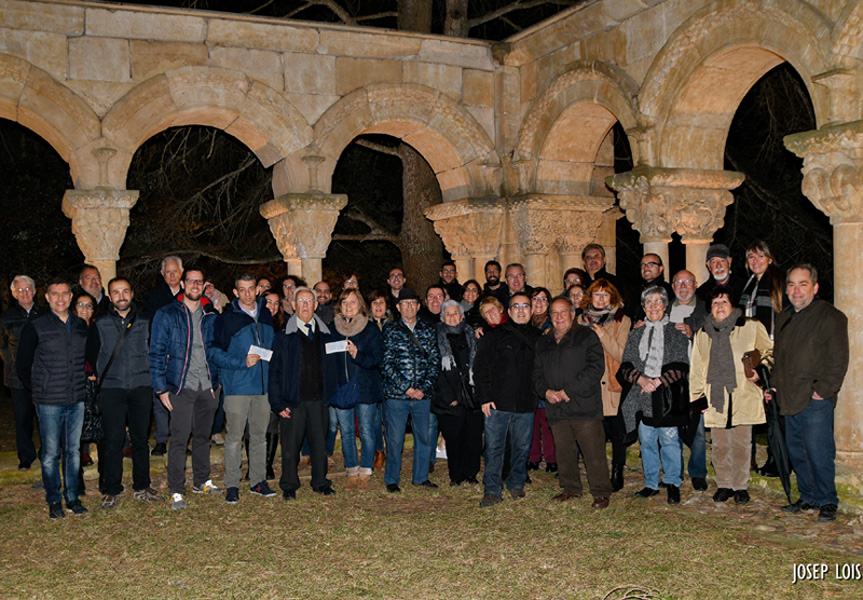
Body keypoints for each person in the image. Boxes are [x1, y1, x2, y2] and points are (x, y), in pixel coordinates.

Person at [770, 264, 848, 523]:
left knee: (818, 451)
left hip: (814, 398)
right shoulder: (784, 316)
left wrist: (822, 392)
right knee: (798, 451)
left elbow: (838, 360)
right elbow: (778, 356)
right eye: (791, 284)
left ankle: (827, 500)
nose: (796, 290)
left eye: (802, 284)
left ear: (814, 287)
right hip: (789, 395)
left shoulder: (830, 316)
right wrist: (774, 384)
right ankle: (808, 497)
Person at [690, 285, 772, 505]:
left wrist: (760, 373)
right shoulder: (703, 333)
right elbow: (697, 368)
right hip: (715, 398)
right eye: (715, 302)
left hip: (743, 395)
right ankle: (724, 484)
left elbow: (769, 353)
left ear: (733, 304)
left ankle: (740, 486)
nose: (719, 306)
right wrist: (698, 398)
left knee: (741, 444)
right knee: (719, 446)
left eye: (724, 301)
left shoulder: (750, 327)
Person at [149, 268, 222, 511]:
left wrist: (217, 381)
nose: (194, 285)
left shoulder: (211, 313)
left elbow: (217, 349)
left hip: (207, 385)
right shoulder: (167, 313)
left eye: (198, 282)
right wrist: (161, 389)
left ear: (203, 286)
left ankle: (201, 481)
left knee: (203, 437)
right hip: (180, 385)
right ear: (182, 283)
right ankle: (176, 490)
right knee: (179, 439)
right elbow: (156, 352)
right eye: (190, 281)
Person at [17, 278, 89, 519]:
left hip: (76, 398)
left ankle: (72, 497)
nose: (60, 298)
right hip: (48, 400)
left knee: (73, 451)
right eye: (55, 294)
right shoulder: (36, 327)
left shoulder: (80, 325)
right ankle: (53, 499)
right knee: (50, 453)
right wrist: (38, 388)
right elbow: (23, 364)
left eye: (65, 294)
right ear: (46, 297)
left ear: (71, 297)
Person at [88, 277, 162, 509]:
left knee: (141, 440)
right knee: (113, 441)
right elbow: (91, 355)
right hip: (112, 389)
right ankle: (112, 489)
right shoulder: (99, 324)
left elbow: (155, 352)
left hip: (141, 386)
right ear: (110, 296)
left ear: (132, 293)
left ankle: (142, 486)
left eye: (125, 291)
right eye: (116, 292)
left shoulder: (145, 321)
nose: (121, 296)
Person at [534, 296, 612, 509]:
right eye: (554, 313)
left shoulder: (586, 336)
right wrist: (546, 391)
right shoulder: (544, 341)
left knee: (593, 452)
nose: (559, 317)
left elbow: (595, 368)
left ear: (572, 314)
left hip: (583, 404)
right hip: (556, 406)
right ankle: (570, 488)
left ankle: (601, 491)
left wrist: (570, 391)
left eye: (563, 312)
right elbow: (537, 373)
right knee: (564, 450)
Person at [208, 273, 277, 505]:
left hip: (263, 387)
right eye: (242, 289)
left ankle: (258, 481)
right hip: (237, 386)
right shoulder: (226, 319)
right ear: (235, 292)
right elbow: (214, 353)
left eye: (251, 288)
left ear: (258, 289)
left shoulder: (266, 314)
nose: (248, 294)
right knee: (235, 438)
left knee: (259, 436)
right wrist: (241, 362)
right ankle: (232, 484)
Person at [618, 285, 690, 505]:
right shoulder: (636, 333)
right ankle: (650, 483)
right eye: (648, 303)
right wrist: (640, 379)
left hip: (666, 396)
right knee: (647, 441)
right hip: (642, 394)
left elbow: (681, 365)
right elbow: (626, 364)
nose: (653, 306)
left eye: (658, 301)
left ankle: (672, 483)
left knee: (669, 440)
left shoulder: (675, 333)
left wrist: (658, 382)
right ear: (643, 307)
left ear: (665, 305)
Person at [268, 287, 338, 500]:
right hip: (293, 402)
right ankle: (289, 484)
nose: (306, 305)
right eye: (301, 301)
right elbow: (275, 371)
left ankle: (320, 482)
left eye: (310, 301)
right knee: (290, 448)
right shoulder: (283, 336)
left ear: (316, 305)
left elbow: (333, 366)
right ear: (294, 305)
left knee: (319, 446)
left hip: (319, 401)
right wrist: (278, 404)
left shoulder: (327, 334)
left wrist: (331, 394)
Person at [475, 293, 540, 507]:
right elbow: (480, 367)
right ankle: (492, 490)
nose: (521, 310)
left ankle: (516, 483)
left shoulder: (540, 338)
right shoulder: (493, 336)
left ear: (531, 310)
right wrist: (484, 397)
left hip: (526, 402)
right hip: (497, 403)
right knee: (494, 447)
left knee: (522, 446)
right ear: (509, 311)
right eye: (516, 306)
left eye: (525, 306)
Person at [381, 287, 441, 492]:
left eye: (412, 303)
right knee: (395, 439)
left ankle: (421, 477)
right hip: (397, 395)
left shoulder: (428, 328)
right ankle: (392, 479)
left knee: (423, 437)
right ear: (398, 307)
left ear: (418, 306)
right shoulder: (390, 330)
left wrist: (423, 388)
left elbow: (435, 361)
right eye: (404, 303)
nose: (409, 307)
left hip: (422, 395)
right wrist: (406, 388)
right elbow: (386, 363)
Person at [578, 279, 631, 492]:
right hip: (589, 387)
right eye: (596, 294)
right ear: (590, 297)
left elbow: (622, 353)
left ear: (613, 298)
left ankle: (617, 472)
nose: (600, 299)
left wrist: (602, 334)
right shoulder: (581, 321)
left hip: (612, 385)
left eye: (605, 295)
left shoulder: (622, 320)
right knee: (594, 435)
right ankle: (597, 474)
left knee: (617, 433)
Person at [330, 288, 384, 492]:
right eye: (344, 303)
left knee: (367, 432)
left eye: (352, 302)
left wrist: (357, 354)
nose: (348, 307)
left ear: (360, 304)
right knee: (346, 432)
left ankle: (366, 470)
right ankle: (352, 470)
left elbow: (377, 359)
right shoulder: (332, 328)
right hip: (342, 389)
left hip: (365, 388)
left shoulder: (370, 329)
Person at [739, 240, 786, 477]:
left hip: (772, 351)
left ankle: (777, 460)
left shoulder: (777, 281)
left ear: (769, 258)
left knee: (773, 406)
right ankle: (755, 458)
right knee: (759, 404)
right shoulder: (748, 285)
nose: (755, 261)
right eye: (751, 257)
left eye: (760, 256)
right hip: (751, 352)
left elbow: (782, 317)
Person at [433, 300, 482, 486]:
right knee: (454, 440)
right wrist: (449, 397)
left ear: (462, 316)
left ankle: (471, 473)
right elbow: (435, 369)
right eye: (448, 314)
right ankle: (456, 475)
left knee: (473, 438)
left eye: (455, 313)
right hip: (450, 398)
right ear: (442, 317)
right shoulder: (435, 337)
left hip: (473, 397)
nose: (452, 317)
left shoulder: (473, 335)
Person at [668, 269, 709, 491]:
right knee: (670, 427)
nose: (683, 286)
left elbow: (714, 340)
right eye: (679, 282)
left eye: (688, 282)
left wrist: (694, 334)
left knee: (698, 429)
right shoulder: (663, 309)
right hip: (670, 380)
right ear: (673, 286)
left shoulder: (706, 310)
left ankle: (698, 472)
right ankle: (674, 471)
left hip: (695, 377)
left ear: (695, 285)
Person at [0, 275, 44, 471]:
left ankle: (47, 453)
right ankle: (26, 456)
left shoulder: (45, 314)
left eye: (27, 289)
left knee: (45, 417)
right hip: (17, 378)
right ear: (13, 293)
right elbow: (3, 347)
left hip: (44, 376)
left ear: (34, 291)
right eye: (19, 290)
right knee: (23, 418)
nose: (24, 293)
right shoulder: (6, 317)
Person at [143, 255, 184, 457]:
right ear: (162, 274)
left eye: (175, 271)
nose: (172, 275)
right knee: (159, 397)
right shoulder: (154, 296)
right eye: (168, 272)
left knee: (182, 400)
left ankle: (181, 440)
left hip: (183, 357)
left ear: (182, 272)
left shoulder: (191, 293)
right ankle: (161, 439)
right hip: (162, 354)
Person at [527, 286, 556, 474]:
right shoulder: (524, 322)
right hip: (527, 379)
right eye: (535, 299)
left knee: (547, 423)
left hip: (547, 378)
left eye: (543, 299)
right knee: (530, 423)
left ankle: (552, 459)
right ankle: (533, 457)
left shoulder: (553, 324)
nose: (539, 303)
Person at [366, 288, 392, 470]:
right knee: (375, 420)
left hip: (391, 380)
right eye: (375, 303)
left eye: (381, 302)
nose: (378, 306)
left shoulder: (394, 325)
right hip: (372, 379)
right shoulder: (364, 326)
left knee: (390, 419)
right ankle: (379, 451)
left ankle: (392, 450)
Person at [630, 254, 674, 322]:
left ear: (661, 268)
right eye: (643, 265)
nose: (646, 268)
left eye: (651, 265)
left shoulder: (667, 291)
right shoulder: (637, 291)